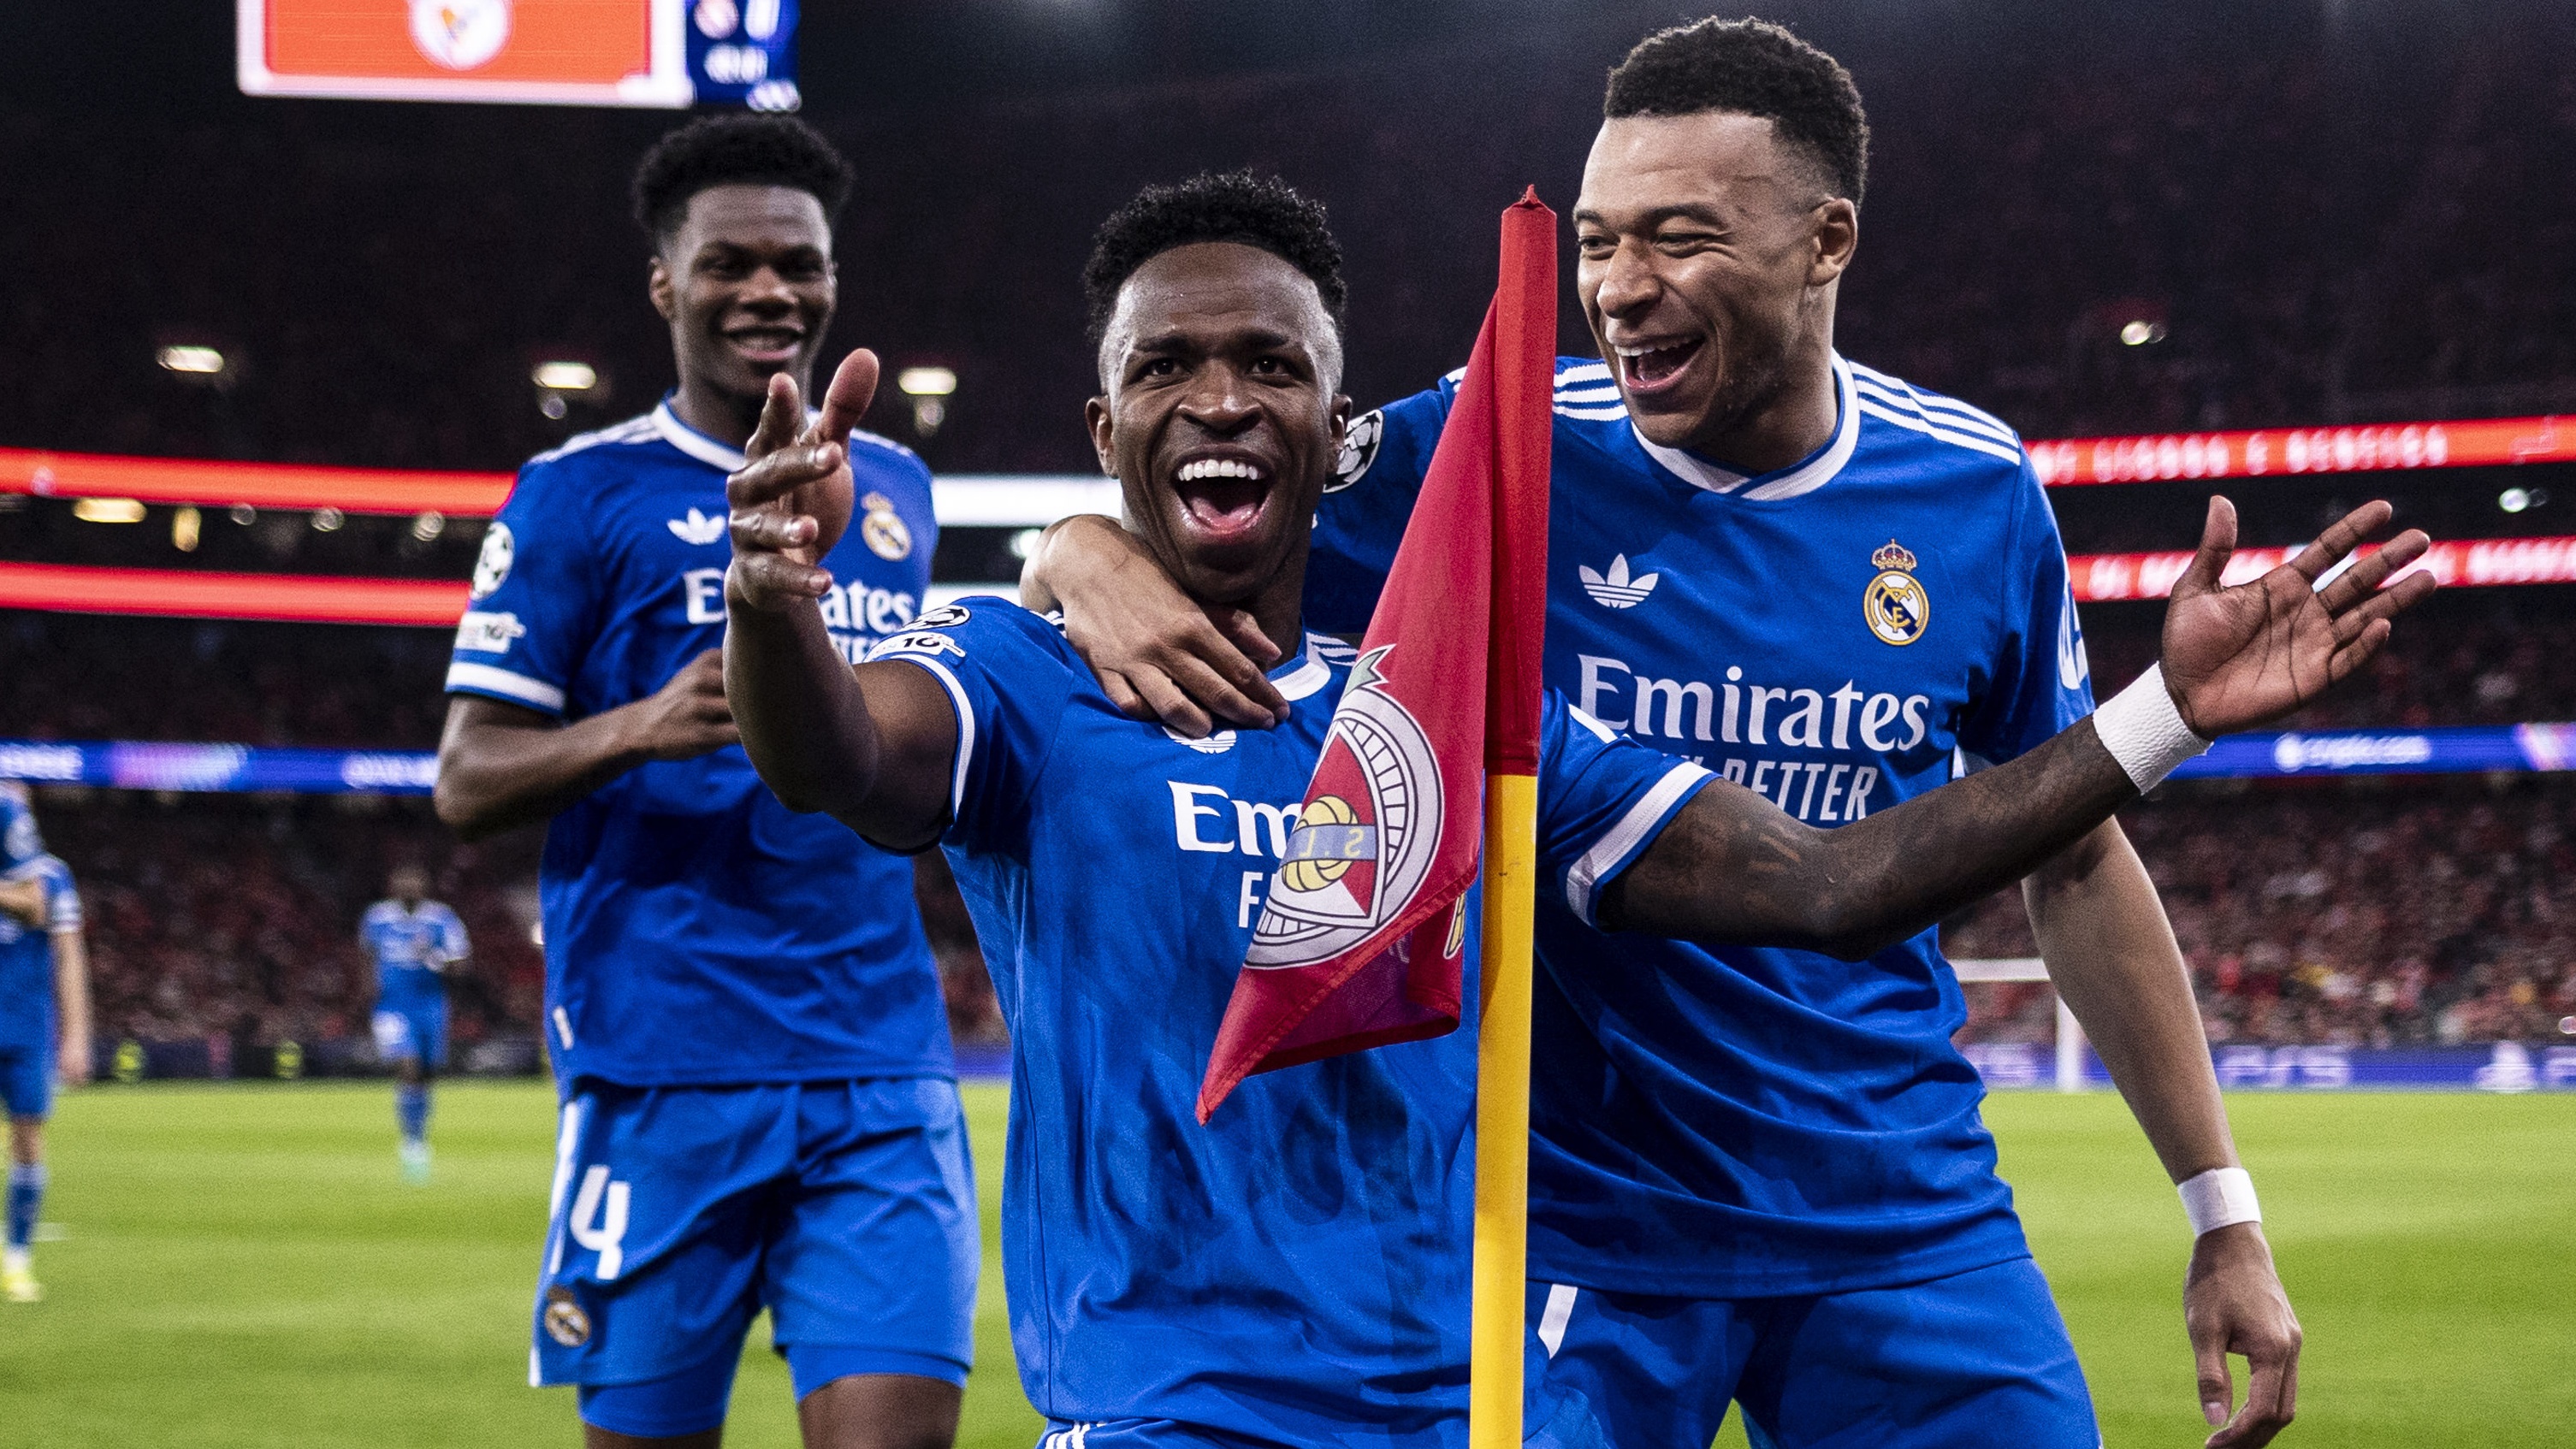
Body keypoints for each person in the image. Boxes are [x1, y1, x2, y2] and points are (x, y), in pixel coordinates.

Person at [726, 173, 2425, 1448]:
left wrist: (2160, 709)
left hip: (1478, 1408)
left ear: (1342, 432)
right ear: (1105, 427)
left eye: (1267, 365)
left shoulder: (1454, 715)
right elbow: (840, 762)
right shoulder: (1021, 671)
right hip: (1169, 1409)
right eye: (1166, 367)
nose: (1221, 396)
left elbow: (1830, 882)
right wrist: (774, 601)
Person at [433, 115, 974, 1449]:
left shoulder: (893, 490)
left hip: (875, 1059)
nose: (768, 290)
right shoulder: (576, 495)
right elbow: (464, 777)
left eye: (798, 262)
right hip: (660, 1061)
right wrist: (635, 726)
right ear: (666, 283)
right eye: (729, 262)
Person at [0, 784, 91, 1304]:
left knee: (28, 1139)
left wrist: (76, 1037)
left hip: (27, 1030)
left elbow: (70, 958)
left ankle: (17, 1260)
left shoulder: (53, 879)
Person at [361, 862, 470, 1183]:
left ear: (425, 884)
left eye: (414, 879)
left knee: (425, 1074)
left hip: (431, 1007)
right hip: (392, 1007)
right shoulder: (377, 918)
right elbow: (366, 957)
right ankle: (413, 1145)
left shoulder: (442, 919)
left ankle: (418, 1133)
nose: (408, 885)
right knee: (407, 1067)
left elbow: (461, 964)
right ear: (392, 884)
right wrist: (369, 993)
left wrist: (433, 958)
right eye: (402, 879)